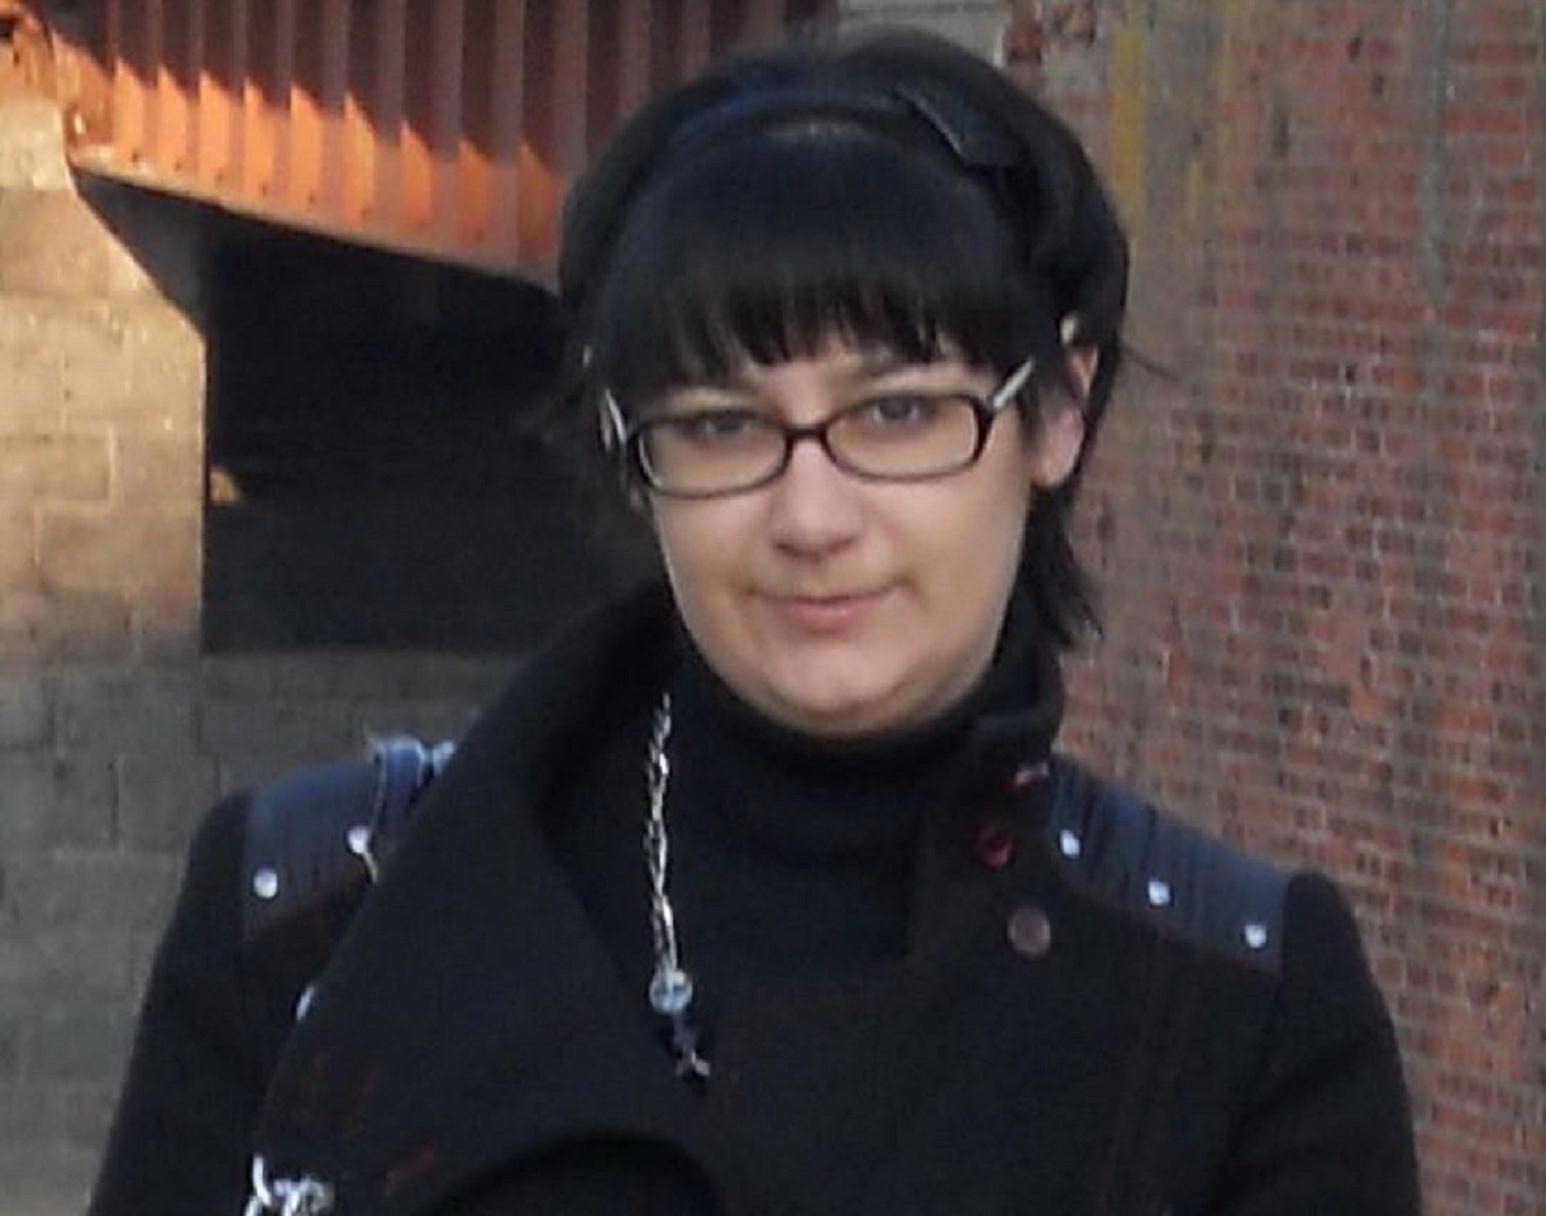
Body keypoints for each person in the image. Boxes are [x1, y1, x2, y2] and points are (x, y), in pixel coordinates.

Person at [89, 28, 1420, 1216]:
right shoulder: (312, 922)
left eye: (897, 413)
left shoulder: (1234, 1017)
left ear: (1057, 413)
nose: (810, 515)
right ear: (633, 454)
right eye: (723, 427)